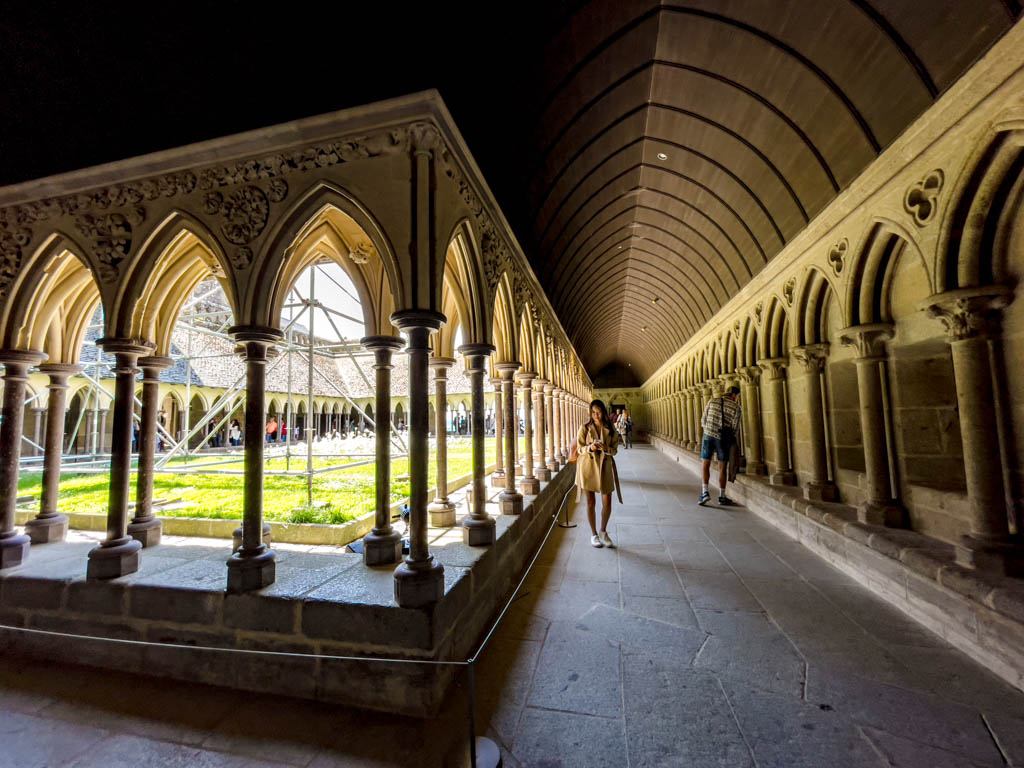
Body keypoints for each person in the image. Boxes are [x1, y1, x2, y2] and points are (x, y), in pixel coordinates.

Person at [575, 399, 622, 548]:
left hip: (605, 467)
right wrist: (590, 447)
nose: (596, 415)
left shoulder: (611, 428)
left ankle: (603, 531)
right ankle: (594, 534)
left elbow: (615, 449)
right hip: (588, 467)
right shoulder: (584, 428)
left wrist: (606, 449)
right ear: (590, 412)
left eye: (599, 412)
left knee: (607, 501)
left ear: (603, 411)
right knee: (591, 502)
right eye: (593, 412)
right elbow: (579, 449)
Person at [699, 385, 742, 506]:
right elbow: (735, 428)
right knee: (722, 467)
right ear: (734, 395)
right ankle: (722, 496)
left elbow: (703, 420)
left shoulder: (712, 401)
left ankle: (704, 493)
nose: (737, 399)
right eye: (738, 396)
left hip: (708, 435)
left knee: (705, 463)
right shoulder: (736, 407)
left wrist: (709, 429)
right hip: (722, 439)